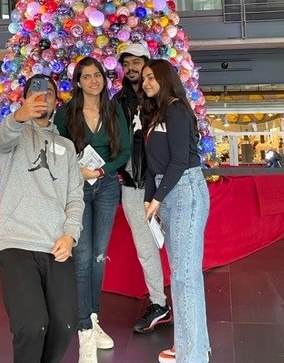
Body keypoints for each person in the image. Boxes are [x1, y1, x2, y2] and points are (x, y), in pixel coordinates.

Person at [0, 74, 84, 363]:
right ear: (23, 98)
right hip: (16, 241)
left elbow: (74, 197)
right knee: (32, 325)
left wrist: (70, 235)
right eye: (36, 91)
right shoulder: (14, 134)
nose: (42, 97)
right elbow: (3, 135)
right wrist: (19, 116)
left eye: (49, 92)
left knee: (64, 325)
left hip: (56, 244)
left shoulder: (67, 147)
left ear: (57, 101)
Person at [54, 56, 131, 363]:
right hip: (76, 191)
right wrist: (77, 170)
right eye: (86, 77)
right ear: (78, 82)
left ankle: (93, 317)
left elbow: (124, 151)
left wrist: (99, 172)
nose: (93, 81)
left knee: (99, 256)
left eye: (97, 75)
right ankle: (84, 328)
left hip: (107, 187)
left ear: (104, 78)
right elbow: (58, 150)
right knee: (82, 257)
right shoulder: (66, 112)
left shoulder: (114, 110)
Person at [140, 59, 210, 363]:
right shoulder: (157, 112)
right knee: (183, 275)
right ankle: (194, 347)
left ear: (166, 78)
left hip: (186, 191)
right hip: (168, 192)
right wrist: (149, 196)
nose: (146, 82)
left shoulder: (176, 110)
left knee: (184, 276)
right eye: (144, 78)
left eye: (152, 77)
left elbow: (180, 161)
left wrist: (157, 198)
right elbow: (153, 164)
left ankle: (191, 355)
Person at [114, 42, 172, 334]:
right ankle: (159, 303)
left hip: (165, 182)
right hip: (134, 186)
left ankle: (186, 301)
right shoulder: (117, 101)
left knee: (176, 244)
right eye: (126, 64)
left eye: (136, 62)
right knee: (146, 248)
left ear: (147, 63)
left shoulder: (161, 98)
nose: (131, 69)